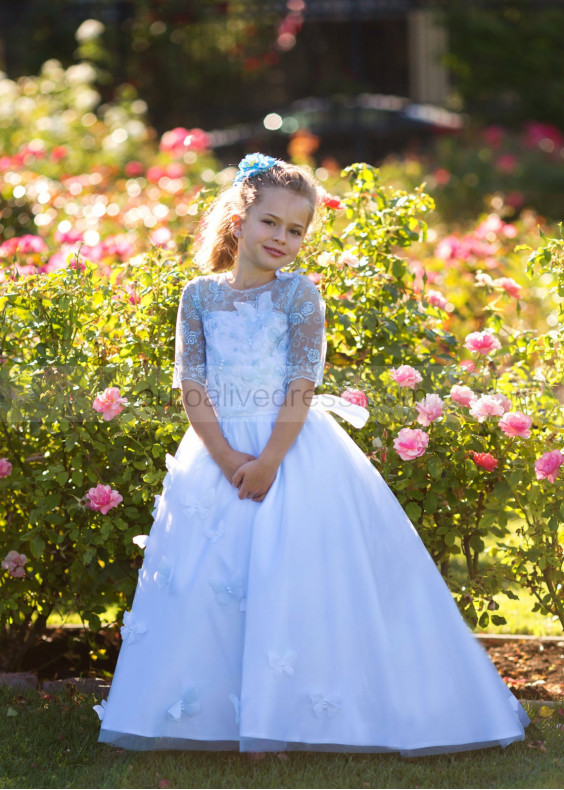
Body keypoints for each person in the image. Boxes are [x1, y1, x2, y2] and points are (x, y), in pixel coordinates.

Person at [95, 153, 530, 756]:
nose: (282, 238)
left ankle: (308, 709)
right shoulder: (198, 296)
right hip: (215, 450)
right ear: (238, 220)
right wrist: (225, 459)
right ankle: (210, 716)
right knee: (212, 580)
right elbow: (190, 384)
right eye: (270, 223)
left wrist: (269, 459)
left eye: (295, 230)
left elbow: (302, 384)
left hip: (291, 447)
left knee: (294, 576)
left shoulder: (301, 297)